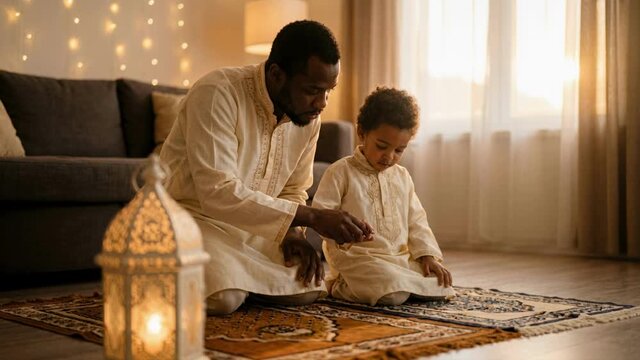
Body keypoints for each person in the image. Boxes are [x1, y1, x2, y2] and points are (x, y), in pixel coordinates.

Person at [159, 20, 373, 315]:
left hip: (251, 232)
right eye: (312, 89)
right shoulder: (217, 92)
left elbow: (293, 188)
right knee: (224, 299)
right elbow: (217, 192)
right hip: (189, 220)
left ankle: (236, 276)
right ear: (276, 74)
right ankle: (160, 271)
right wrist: (312, 216)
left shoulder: (310, 119)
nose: (322, 102)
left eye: (328, 91)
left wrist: (293, 235)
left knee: (306, 288)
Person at [312, 87, 456, 306]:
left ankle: (401, 284)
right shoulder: (340, 172)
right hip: (360, 260)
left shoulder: (402, 176)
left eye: (399, 150)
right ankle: (341, 285)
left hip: (400, 260)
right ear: (362, 133)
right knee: (392, 293)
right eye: (382, 146)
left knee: (439, 285)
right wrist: (344, 237)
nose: (389, 157)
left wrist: (427, 256)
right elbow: (322, 216)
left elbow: (416, 221)